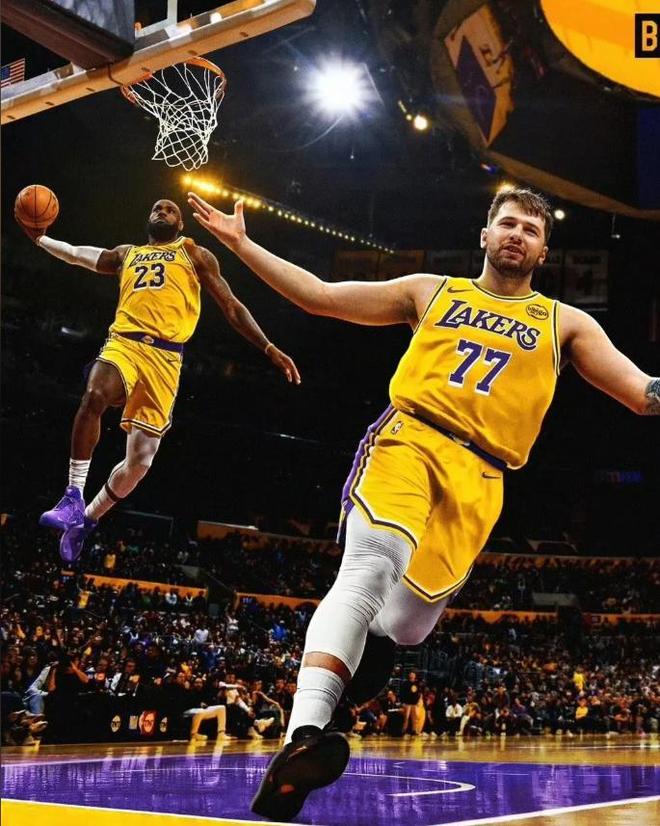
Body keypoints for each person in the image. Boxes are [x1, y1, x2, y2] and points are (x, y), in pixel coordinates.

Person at [187, 186, 659, 820]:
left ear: (544, 251)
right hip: (411, 438)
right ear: (485, 235)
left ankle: (365, 657)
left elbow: (641, 392)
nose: (517, 235)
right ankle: (304, 737)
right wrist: (244, 245)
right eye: (507, 224)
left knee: (408, 626)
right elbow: (320, 295)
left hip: (483, 476)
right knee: (368, 567)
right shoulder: (430, 291)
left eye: (531, 230)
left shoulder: (566, 323)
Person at [15, 198, 301, 562]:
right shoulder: (127, 254)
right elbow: (76, 254)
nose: (161, 211)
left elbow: (231, 306)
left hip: (166, 358)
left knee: (139, 463)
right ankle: (72, 497)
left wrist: (268, 346)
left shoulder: (193, 253)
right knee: (94, 396)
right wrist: (41, 239)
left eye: (169, 210)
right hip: (124, 342)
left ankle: (88, 519)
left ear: (180, 225)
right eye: (156, 208)